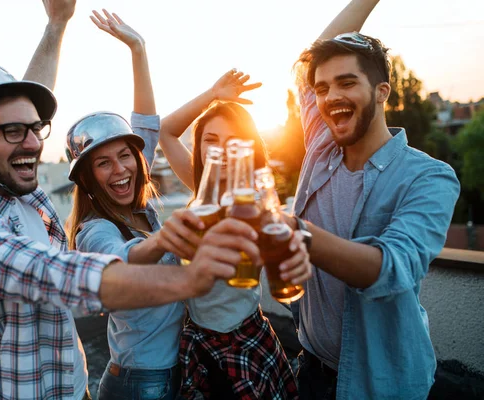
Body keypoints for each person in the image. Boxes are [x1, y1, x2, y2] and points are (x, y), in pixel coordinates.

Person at [0, 3, 263, 399]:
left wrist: (57, 26)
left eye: (36, 129)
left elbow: (143, 129)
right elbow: (54, 272)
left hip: (74, 385)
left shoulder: (18, 189)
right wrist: (194, 274)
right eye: (16, 132)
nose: (34, 142)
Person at [285, 0, 461, 398]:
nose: (330, 97)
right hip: (310, 367)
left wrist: (298, 234)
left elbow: (392, 266)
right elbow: (313, 56)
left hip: (381, 384)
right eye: (322, 88)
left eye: (347, 83)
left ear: (382, 91)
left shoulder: (429, 177)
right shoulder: (321, 146)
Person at [158, 72, 311, 398]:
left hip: (246, 338)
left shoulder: (255, 205)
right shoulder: (201, 191)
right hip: (198, 338)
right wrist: (213, 94)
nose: (221, 152)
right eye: (211, 140)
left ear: (246, 151)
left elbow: (284, 272)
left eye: (233, 143)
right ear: (199, 146)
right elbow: (166, 131)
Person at [65, 10, 184, 399]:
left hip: (171, 372)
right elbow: (117, 261)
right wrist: (173, 237)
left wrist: (138, 47)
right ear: (88, 179)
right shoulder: (94, 230)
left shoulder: (135, 199)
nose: (120, 169)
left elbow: (146, 123)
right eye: (103, 162)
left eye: (126, 155)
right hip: (140, 383)